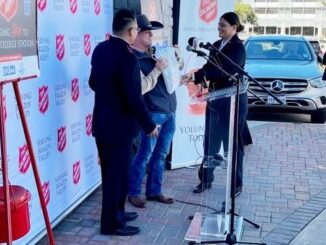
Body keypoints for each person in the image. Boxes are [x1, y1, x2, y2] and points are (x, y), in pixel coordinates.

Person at [88, 9, 159, 236]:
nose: (136, 32)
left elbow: (93, 83)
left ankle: (118, 211)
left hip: (103, 124)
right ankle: (112, 224)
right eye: (136, 29)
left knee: (114, 175)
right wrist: (149, 125)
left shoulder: (100, 49)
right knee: (116, 178)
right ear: (130, 31)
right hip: (120, 129)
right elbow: (134, 98)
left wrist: (110, 95)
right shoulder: (127, 57)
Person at [182, 12, 247, 196]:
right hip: (215, 100)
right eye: (218, 25)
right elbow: (209, 69)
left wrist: (198, 76)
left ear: (234, 28)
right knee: (210, 142)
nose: (219, 28)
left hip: (233, 103)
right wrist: (196, 76)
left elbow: (224, 71)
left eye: (223, 26)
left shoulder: (238, 48)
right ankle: (205, 180)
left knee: (232, 146)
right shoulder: (216, 45)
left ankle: (236, 184)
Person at [128, 14, 183, 208]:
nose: (151, 35)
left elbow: (177, 72)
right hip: (153, 112)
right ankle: (134, 192)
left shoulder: (155, 52)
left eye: (151, 32)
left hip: (169, 109)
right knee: (145, 154)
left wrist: (177, 58)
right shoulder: (132, 58)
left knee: (161, 154)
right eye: (147, 32)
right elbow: (142, 87)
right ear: (136, 34)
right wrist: (158, 68)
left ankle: (154, 191)